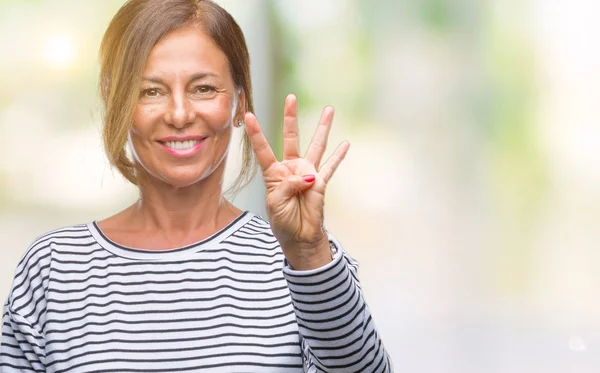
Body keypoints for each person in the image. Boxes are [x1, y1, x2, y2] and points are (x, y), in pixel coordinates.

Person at [0, 0, 392, 372]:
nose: (179, 114)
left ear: (240, 102)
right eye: (150, 91)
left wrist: (308, 253)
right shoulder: (54, 269)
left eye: (203, 88)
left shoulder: (305, 260)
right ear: (116, 101)